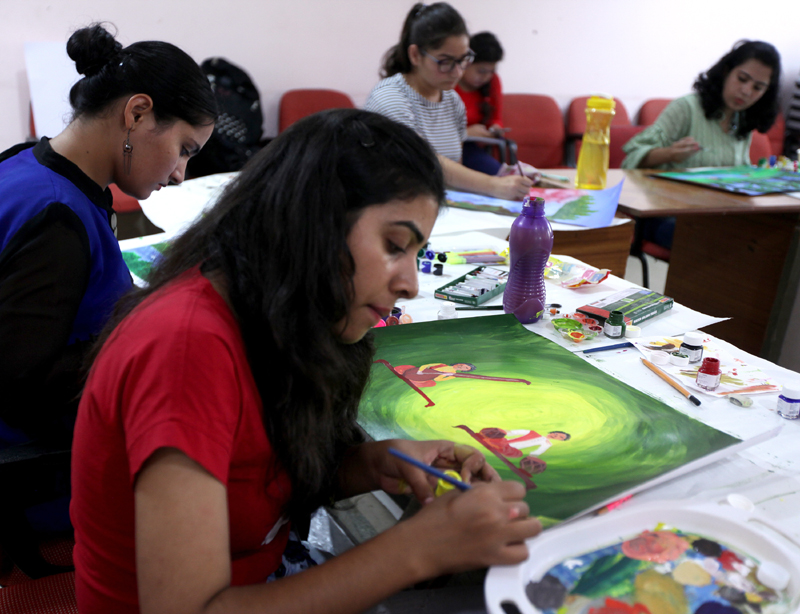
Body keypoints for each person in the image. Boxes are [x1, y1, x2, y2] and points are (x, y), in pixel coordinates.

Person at [70, 108, 542, 614]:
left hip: (266, 573)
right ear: (312, 225)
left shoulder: (270, 316)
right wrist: (420, 549)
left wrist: (375, 463)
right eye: (394, 245)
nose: (410, 285)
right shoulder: (185, 348)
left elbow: (256, 479)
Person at [0, 24, 217, 446]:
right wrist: (148, 337)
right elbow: (20, 389)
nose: (179, 174)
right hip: (41, 463)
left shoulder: (23, 160)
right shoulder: (59, 221)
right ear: (136, 113)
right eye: (184, 149)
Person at [621, 40, 781, 248]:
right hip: (666, 215)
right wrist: (669, 154)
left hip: (716, 216)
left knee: (768, 237)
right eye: (742, 79)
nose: (746, 91)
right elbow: (631, 159)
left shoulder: (743, 120)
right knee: (728, 244)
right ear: (726, 71)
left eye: (757, 88)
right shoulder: (686, 108)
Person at [364, 2, 532, 201]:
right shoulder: (389, 97)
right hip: (397, 203)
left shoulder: (452, 100)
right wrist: (492, 185)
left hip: (441, 204)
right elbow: (423, 161)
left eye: (463, 59)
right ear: (415, 55)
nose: (457, 72)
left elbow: (455, 167)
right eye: (445, 62)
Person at [455, 31, 508, 174]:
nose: (486, 77)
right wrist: (464, 133)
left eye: (492, 71)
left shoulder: (492, 82)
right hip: (444, 146)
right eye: (481, 71)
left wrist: (495, 128)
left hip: (472, 148)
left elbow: (495, 118)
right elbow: (433, 129)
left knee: (500, 175)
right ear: (466, 63)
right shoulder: (448, 82)